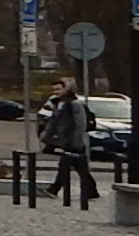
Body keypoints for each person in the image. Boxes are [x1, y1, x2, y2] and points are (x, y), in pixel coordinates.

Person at [41, 77, 98, 212]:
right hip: (66, 141)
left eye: (58, 89)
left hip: (74, 141)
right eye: (54, 89)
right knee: (78, 167)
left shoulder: (74, 104)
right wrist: (47, 137)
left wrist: (76, 141)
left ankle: (54, 189)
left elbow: (80, 124)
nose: (56, 92)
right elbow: (53, 123)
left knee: (66, 165)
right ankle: (91, 190)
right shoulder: (57, 103)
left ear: (65, 89)